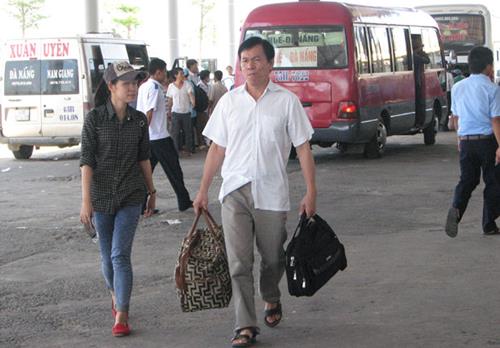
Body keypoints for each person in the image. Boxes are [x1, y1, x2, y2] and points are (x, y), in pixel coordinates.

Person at [193, 37, 317, 347]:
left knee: (274, 258)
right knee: (239, 263)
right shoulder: (230, 102)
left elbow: (303, 148)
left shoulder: (287, 101)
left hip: (272, 192)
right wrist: (203, 189)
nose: (249, 65)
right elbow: (217, 148)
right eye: (245, 60)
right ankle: (245, 325)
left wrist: (311, 192)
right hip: (234, 191)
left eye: (256, 59)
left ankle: (271, 297)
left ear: (271, 64)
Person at [80, 61, 156, 337]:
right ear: (112, 86)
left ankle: (122, 313)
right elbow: (86, 161)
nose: (133, 88)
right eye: (126, 83)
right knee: (106, 257)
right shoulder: (95, 119)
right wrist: (85, 200)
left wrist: (152, 192)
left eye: (135, 83)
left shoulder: (138, 121)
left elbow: (144, 157)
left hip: (130, 195)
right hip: (100, 197)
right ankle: (115, 294)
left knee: (119, 255)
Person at [445, 46, 500, 238]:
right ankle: (489, 223)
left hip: (466, 141)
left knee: (468, 180)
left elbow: (456, 119)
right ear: (489, 66)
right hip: (487, 141)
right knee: (493, 181)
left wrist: (459, 140)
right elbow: (495, 120)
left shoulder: (458, 87)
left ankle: (456, 208)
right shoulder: (492, 89)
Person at [136, 58, 193, 212]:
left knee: (146, 172)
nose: (166, 75)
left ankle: (140, 206)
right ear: (159, 71)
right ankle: (184, 201)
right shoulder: (154, 88)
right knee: (174, 170)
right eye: (164, 71)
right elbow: (149, 112)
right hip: (159, 137)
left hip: (150, 137)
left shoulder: (143, 86)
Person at [167, 67, 196, 154]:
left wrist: (193, 102)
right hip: (175, 113)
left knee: (188, 132)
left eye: (183, 73)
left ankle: (189, 150)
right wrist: (169, 111)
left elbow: (190, 94)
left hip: (186, 112)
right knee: (175, 133)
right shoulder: (171, 86)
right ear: (175, 75)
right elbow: (170, 100)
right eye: (181, 73)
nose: (183, 75)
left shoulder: (187, 84)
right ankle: (175, 151)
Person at [412, 36, 430, 128]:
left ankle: (419, 121)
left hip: (418, 80)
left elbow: (427, 61)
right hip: (412, 81)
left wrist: (417, 55)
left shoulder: (421, 54)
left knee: (420, 102)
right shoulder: (411, 54)